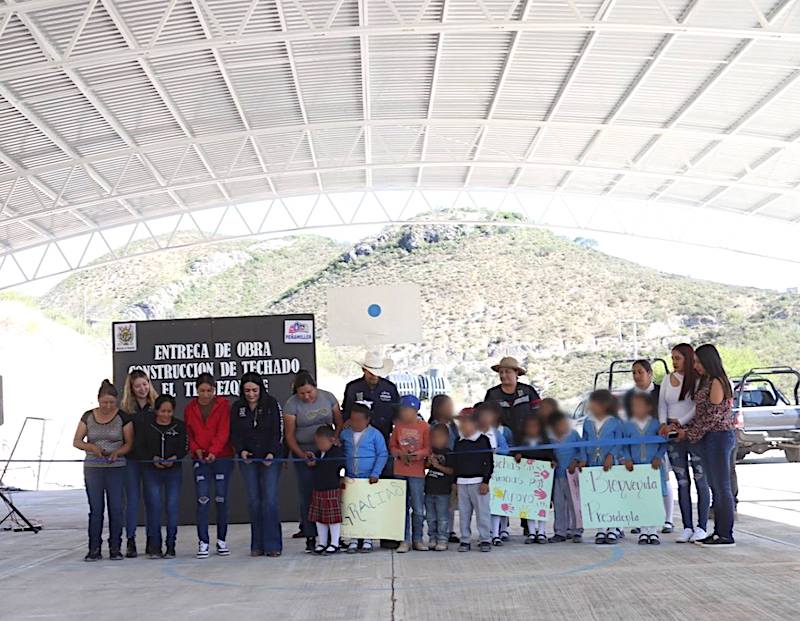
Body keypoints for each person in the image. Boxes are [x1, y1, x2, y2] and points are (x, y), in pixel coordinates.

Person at [680, 344, 737, 548]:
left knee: (721, 487)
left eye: (698, 362)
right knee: (715, 486)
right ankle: (718, 531)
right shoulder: (707, 381)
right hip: (709, 438)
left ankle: (725, 533)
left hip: (718, 437)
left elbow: (711, 417)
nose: (695, 366)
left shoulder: (717, 382)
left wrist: (689, 434)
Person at [73, 380, 134, 561]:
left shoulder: (123, 417)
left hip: (116, 467)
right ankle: (94, 548)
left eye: (111, 403)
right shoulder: (88, 417)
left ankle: (115, 547)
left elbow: (129, 443)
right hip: (93, 467)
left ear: (117, 401)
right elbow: (76, 441)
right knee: (96, 509)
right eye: (104, 402)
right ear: (98, 400)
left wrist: (117, 452)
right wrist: (92, 447)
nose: (108, 406)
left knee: (116, 508)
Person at [284, 370, 344, 552]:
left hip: (327, 451)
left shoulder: (328, 397)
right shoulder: (291, 404)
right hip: (304, 450)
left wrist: (333, 440)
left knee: (330, 492)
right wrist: (302, 455)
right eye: (301, 393)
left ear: (315, 387)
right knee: (308, 493)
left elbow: (339, 422)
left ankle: (334, 537)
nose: (306, 396)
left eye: (309, 392)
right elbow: (289, 435)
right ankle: (310, 534)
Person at [658, 343, 710, 544]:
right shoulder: (667, 379)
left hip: (692, 432)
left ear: (688, 359)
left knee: (700, 479)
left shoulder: (697, 380)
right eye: (672, 358)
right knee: (682, 481)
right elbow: (662, 404)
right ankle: (687, 526)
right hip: (672, 433)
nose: (674, 362)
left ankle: (702, 526)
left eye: (678, 358)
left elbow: (697, 407)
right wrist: (663, 424)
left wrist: (680, 423)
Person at [229, 372, 284, 557]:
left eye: (254, 390)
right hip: (249, 459)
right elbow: (234, 433)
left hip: (270, 457)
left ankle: (273, 544)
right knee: (254, 501)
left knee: (270, 500)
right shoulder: (237, 407)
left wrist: (272, 453)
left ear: (261, 389)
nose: (251, 394)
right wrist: (241, 451)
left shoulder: (271, 404)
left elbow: (278, 431)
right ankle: (257, 544)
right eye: (247, 391)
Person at [184, 373, 233, 559]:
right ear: (196, 390)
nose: (205, 395)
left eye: (209, 391)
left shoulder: (223, 405)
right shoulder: (190, 408)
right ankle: (203, 541)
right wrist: (196, 449)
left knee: (221, 499)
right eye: (202, 391)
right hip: (200, 459)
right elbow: (189, 434)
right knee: (202, 500)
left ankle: (222, 540)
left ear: (214, 390)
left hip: (222, 457)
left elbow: (224, 431)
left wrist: (214, 451)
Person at [623, 359, 674, 534]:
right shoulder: (629, 395)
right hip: (637, 445)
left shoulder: (660, 392)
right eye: (634, 372)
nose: (637, 376)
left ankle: (668, 519)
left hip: (657, 443)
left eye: (640, 372)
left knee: (664, 480)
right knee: (639, 484)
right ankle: (641, 519)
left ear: (650, 373)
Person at [139, 394, 187, 559]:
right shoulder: (147, 426)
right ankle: (155, 546)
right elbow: (140, 447)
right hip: (152, 471)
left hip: (173, 471)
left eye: (169, 411)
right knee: (155, 507)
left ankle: (171, 545)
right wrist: (152, 458)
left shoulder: (179, 426)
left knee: (172, 507)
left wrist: (175, 458)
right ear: (156, 411)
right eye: (163, 411)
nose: (166, 415)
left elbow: (184, 447)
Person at [340, 402, 389, 553]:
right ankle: (354, 538)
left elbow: (382, 454)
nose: (356, 423)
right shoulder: (345, 434)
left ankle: (368, 538)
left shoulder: (375, 434)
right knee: (352, 508)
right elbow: (340, 453)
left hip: (368, 478)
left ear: (367, 420)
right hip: (351, 478)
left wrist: (376, 473)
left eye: (359, 420)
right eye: (353, 420)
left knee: (367, 508)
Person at [121, 369, 158, 558]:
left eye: (145, 384)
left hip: (151, 461)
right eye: (138, 386)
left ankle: (152, 540)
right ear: (131, 389)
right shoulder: (126, 410)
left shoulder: (156, 406)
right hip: (132, 460)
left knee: (152, 500)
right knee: (133, 501)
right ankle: (131, 540)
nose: (143, 389)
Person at [622, 393, 668, 545]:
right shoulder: (627, 425)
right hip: (636, 469)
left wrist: (658, 457)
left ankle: (653, 531)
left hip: (653, 468)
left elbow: (664, 443)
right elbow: (624, 445)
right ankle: (643, 531)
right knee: (640, 499)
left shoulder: (656, 424)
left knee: (654, 500)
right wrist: (628, 459)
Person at [580, 390, 625, 544]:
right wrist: (583, 459)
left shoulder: (616, 422)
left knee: (612, 496)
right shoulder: (588, 422)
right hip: (593, 464)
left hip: (610, 465)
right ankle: (600, 528)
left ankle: (613, 528)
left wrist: (611, 455)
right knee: (597, 496)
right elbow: (584, 442)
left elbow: (619, 442)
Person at [390, 395, 431, 553]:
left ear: (415, 410)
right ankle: (404, 540)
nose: (404, 413)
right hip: (400, 470)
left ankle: (418, 539)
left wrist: (417, 455)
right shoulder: (398, 427)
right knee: (402, 507)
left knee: (418, 508)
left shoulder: (424, 427)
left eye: (407, 410)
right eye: (402, 410)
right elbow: (392, 446)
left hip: (417, 472)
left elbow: (428, 448)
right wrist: (400, 453)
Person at [454, 409, 493, 553]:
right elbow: (455, 463)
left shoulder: (483, 440)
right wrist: (455, 482)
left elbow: (488, 462)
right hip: (462, 482)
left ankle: (485, 538)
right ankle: (465, 539)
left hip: (478, 482)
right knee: (464, 514)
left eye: (466, 422)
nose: (463, 425)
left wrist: (485, 481)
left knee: (482, 512)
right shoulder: (459, 442)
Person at [342, 351, 400, 448]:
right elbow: (347, 410)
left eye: (378, 373)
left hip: (384, 432)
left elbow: (397, 410)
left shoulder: (390, 388)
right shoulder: (353, 387)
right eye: (371, 373)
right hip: (358, 434)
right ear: (364, 370)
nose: (375, 376)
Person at [513, 414, 554, 544]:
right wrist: (517, 455)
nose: (532, 429)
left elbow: (550, 455)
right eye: (529, 426)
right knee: (528, 505)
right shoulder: (521, 442)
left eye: (535, 426)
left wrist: (553, 461)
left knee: (542, 505)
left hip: (542, 481)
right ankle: (531, 532)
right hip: (527, 480)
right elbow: (515, 454)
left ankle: (541, 532)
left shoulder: (545, 441)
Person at [484, 356, 542, 444]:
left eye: (507, 372)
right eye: (501, 372)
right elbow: (486, 418)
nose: (503, 375)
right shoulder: (492, 394)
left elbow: (539, 414)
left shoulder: (528, 391)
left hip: (527, 440)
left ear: (516, 373)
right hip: (502, 441)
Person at [475, 402, 510, 545]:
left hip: (496, 472)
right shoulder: (474, 432)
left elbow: (506, 449)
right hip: (479, 473)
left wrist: (495, 451)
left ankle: (496, 532)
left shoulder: (495, 433)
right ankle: (485, 533)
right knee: (483, 505)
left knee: (496, 503)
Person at [307, 425, 345, 555]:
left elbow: (338, 468)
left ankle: (335, 543)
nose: (320, 446)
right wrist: (313, 460)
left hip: (331, 488)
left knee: (333, 518)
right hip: (318, 488)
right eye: (317, 443)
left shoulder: (337, 453)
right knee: (319, 518)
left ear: (331, 440)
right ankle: (322, 542)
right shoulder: (318, 454)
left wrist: (317, 463)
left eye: (322, 443)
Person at [547, 411, 582, 543]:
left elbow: (582, 451)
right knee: (559, 504)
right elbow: (548, 453)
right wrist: (551, 461)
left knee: (574, 504)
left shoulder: (573, 435)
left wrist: (576, 461)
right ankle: (560, 532)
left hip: (572, 475)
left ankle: (577, 531)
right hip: (557, 475)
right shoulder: (550, 437)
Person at [428, 393, 459, 544]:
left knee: (450, 503)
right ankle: (436, 534)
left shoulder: (454, 427)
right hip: (436, 473)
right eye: (448, 406)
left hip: (451, 466)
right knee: (435, 507)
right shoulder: (431, 427)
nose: (451, 409)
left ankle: (449, 530)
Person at [425, 424, 455, 551]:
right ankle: (432, 537)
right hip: (429, 489)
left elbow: (451, 471)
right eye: (434, 437)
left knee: (442, 517)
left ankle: (442, 538)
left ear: (446, 438)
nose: (436, 440)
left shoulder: (450, 453)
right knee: (430, 517)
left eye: (439, 437)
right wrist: (428, 462)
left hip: (443, 491)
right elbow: (424, 467)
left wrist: (438, 466)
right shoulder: (430, 451)